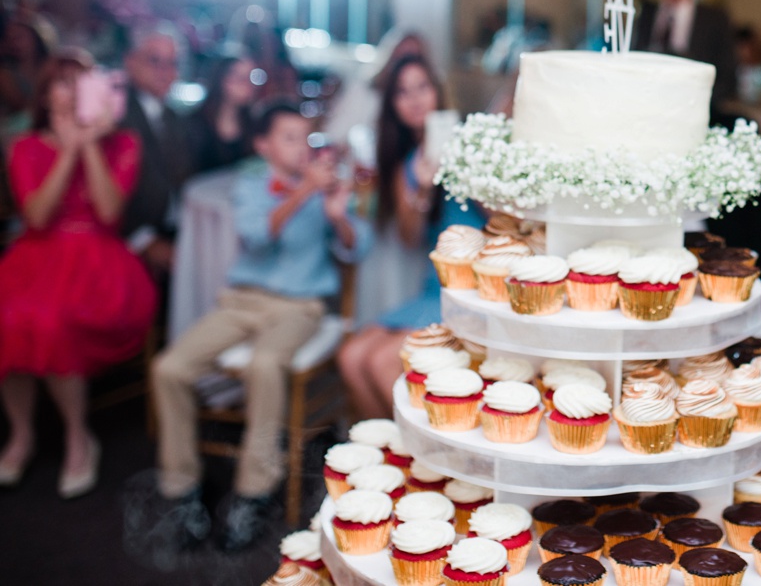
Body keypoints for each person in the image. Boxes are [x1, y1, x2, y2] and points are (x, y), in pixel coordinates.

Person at [151, 101, 371, 551]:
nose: (300, 148)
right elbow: (256, 236)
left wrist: (337, 216)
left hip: (299, 307)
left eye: (304, 138)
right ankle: (182, 488)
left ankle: (253, 490)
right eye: (288, 138)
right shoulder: (252, 184)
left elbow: (357, 248)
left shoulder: (324, 187)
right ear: (263, 145)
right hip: (241, 301)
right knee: (168, 368)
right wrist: (303, 192)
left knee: (266, 365)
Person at [0, 49, 157, 498]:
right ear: (46, 94)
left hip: (100, 255)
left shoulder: (124, 143)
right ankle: (21, 432)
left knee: (53, 320)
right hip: (39, 251)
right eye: (64, 83)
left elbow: (109, 211)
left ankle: (76, 435)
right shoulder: (25, 147)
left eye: (84, 83)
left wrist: (88, 143)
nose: (74, 93)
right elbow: (37, 216)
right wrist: (67, 149)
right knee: (8, 316)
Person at [336, 54, 485, 419]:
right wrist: (420, 187)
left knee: (383, 360)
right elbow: (409, 236)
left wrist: (468, 174)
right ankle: (395, 458)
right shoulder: (406, 164)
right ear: (393, 106)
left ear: (437, 91)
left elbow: (505, 218)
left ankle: (424, 462)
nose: (415, 99)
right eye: (403, 92)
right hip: (433, 288)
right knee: (352, 357)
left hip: (473, 288)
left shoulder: (472, 144)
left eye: (422, 87)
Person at [119, 22, 193, 281]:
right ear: (130, 62)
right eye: (154, 61)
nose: (165, 71)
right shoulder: (115, 116)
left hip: (174, 228)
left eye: (172, 63)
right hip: (131, 237)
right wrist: (143, 240)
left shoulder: (174, 116)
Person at [635, 0, 738, 108]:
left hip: (695, 103)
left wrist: (698, 100)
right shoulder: (644, 15)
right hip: (648, 101)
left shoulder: (715, 19)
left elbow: (727, 74)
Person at [187, 53, 258, 174]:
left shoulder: (253, 123)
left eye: (251, 78)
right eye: (240, 78)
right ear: (220, 79)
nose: (248, 85)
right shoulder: (194, 124)